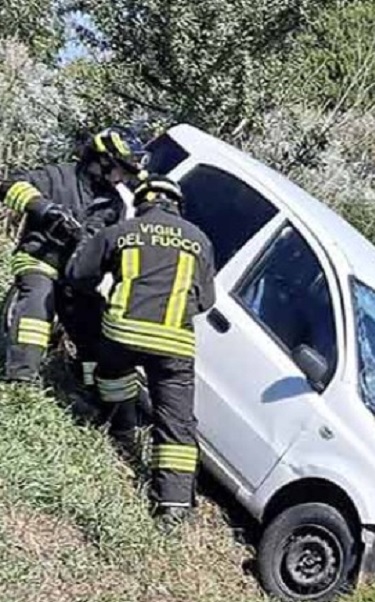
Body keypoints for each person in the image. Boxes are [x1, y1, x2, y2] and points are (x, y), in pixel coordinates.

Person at [64, 175, 215, 529]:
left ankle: (120, 426)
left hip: (122, 334)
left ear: (143, 201)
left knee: (112, 372)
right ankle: (173, 506)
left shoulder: (123, 231)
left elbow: (78, 275)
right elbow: (207, 300)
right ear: (177, 204)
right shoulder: (200, 241)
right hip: (175, 345)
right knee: (175, 423)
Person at [1, 127, 144, 387]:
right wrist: (45, 210)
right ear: (103, 160)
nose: (122, 177)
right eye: (121, 169)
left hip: (76, 277)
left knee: (94, 329)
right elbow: (10, 184)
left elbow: (111, 244)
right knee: (38, 302)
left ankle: (90, 388)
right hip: (40, 259)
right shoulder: (59, 176)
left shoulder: (115, 205)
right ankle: (20, 379)